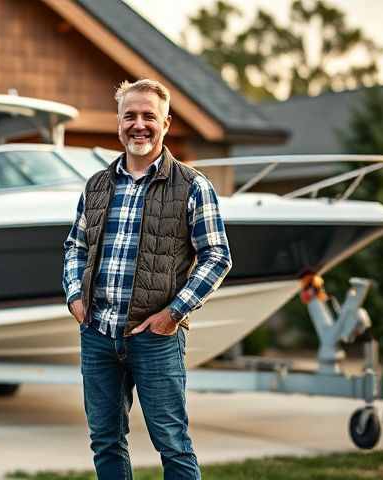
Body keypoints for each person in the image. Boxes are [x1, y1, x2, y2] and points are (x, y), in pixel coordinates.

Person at [62, 79, 232, 479]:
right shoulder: (97, 185)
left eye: (148, 116)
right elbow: (75, 246)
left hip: (156, 338)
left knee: (172, 443)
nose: (139, 124)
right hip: (98, 333)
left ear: (166, 124)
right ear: (119, 124)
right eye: (130, 116)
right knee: (105, 441)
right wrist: (74, 296)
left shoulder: (193, 186)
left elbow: (218, 256)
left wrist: (173, 314)